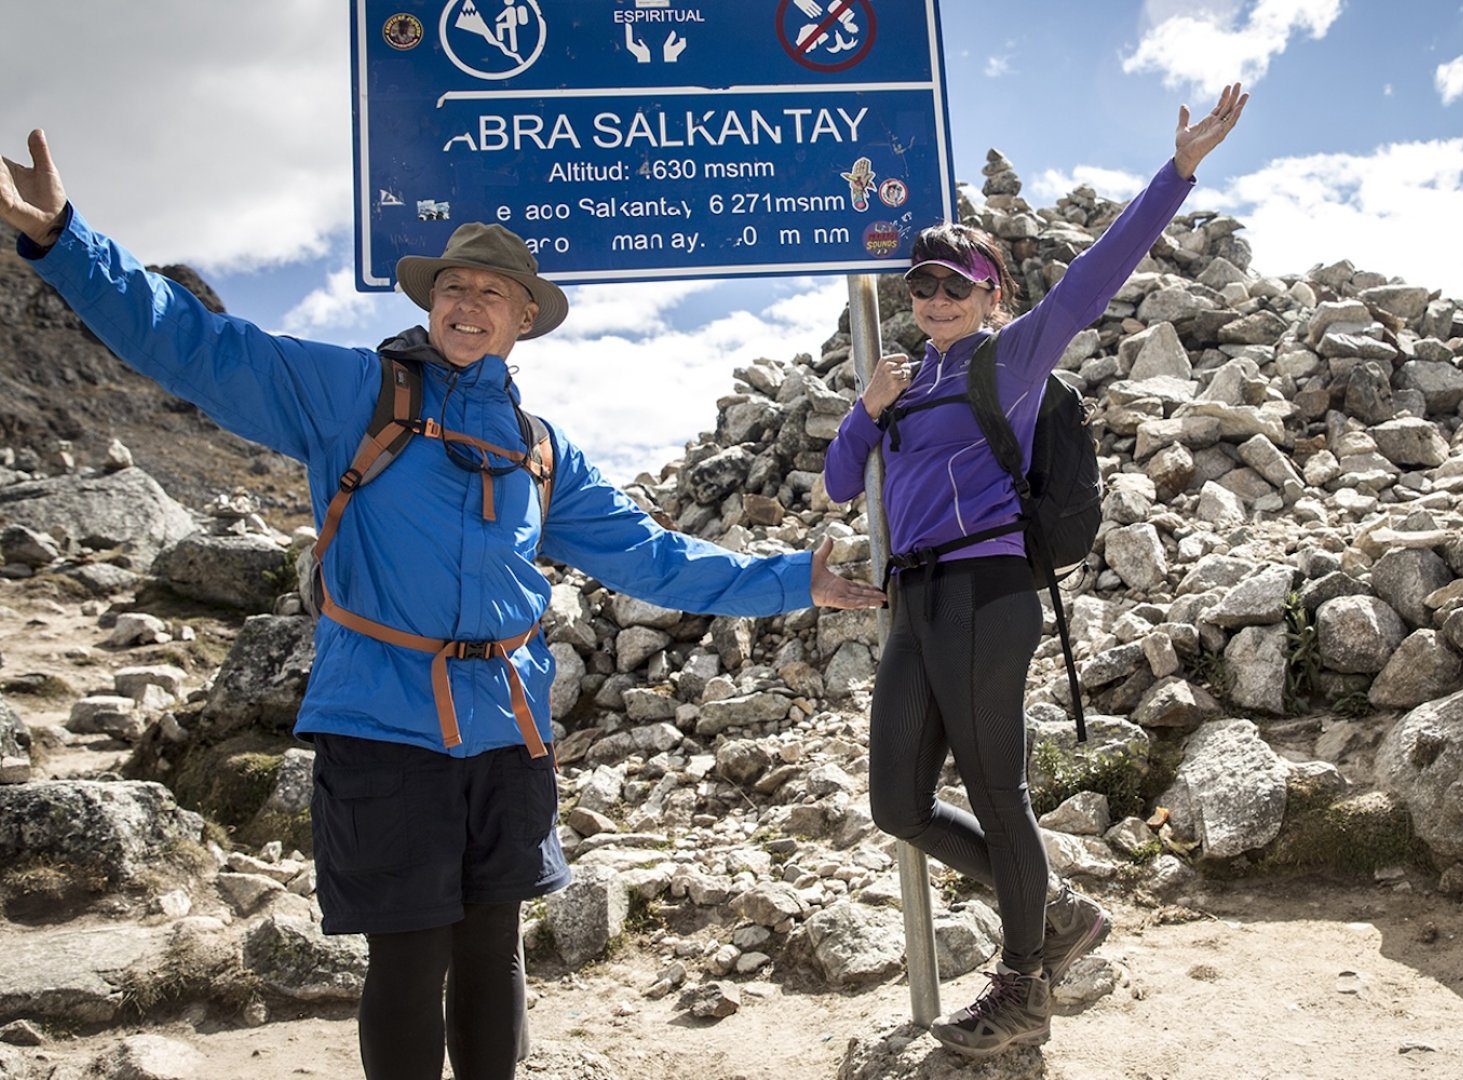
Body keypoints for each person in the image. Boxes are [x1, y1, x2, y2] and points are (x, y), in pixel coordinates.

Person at [0, 129, 885, 1080]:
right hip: (384, 723)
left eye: (491, 293)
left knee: (493, 946)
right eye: (454, 289)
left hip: (506, 728)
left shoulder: (540, 446)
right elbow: (195, 345)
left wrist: (798, 580)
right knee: (410, 955)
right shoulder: (353, 392)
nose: (469, 304)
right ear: (431, 304)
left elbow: (651, 559)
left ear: (521, 321)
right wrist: (64, 241)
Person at [822, 84, 1248, 1058]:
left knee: (998, 794)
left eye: (955, 286)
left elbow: (1096, 277)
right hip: (916, 602)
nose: (934, 299)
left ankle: (1022, 986)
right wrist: (867, 407)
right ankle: (1051, 911)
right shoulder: (904, 381)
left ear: (989, 296)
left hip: (987, 592)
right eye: (922, 285)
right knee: (896, 800)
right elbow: (844, 483)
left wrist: (1176, 173)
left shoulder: (1009, 359)